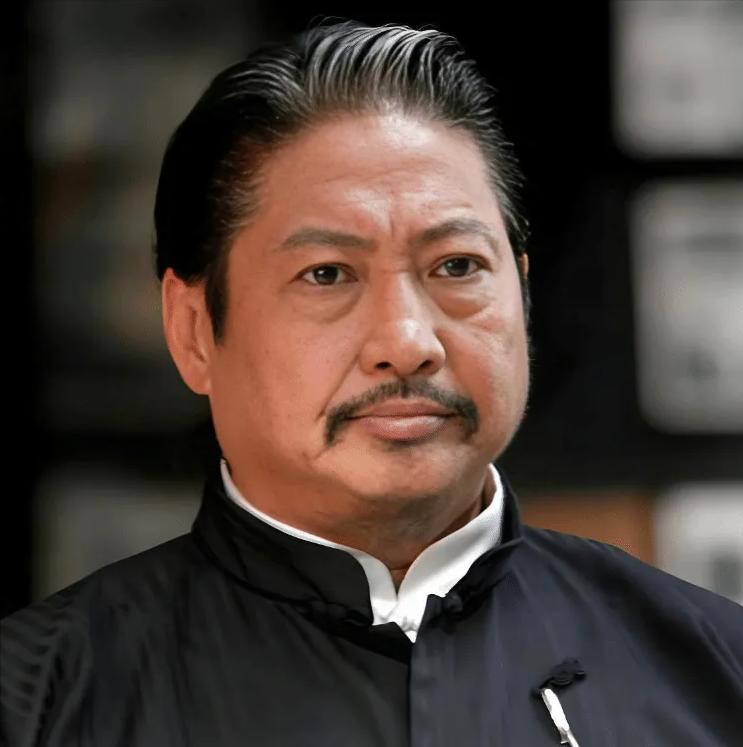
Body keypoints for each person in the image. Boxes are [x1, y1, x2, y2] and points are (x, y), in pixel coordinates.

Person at [2, 20, 742, 747]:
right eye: (327, 274)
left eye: (457, 266)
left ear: (520, 293)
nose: (408, 343)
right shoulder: (40, 699)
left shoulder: (714, 670)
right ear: (194, 329)